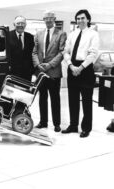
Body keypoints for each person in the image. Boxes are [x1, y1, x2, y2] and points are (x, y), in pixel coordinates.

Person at [62, 9, 99, 138]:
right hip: (72, 68)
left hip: (86, 69)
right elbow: (65, 51)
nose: (80, 21)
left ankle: (86, 128)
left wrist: (81, 67)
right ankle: (73, 125)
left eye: (82, 18)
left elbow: (93, 54)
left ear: (88, 19)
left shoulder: (93, 34)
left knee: (87, 101)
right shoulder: (72, 34)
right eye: (78, 18)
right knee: (72, 99)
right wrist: (71, 65)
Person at [32, 11, 67, 132]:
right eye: (46, 18)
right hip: (41, 71)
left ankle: (57, 124)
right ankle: (43, 122)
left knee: (55, 98)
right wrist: (38, 64)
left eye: (51, 18)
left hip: (54, 72)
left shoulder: (61, 34)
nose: (48, 20)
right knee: (42, 97)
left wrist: (50, 65)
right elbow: (34, 52)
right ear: (43, 19)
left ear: (55, 19)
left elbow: (62, 52)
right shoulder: (38, 34)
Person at [0, 16, 35, 81]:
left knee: (25, 90)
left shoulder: (30, 36)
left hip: (27, 72)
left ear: (25, 25)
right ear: (14, 24)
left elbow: (33, 53)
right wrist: (2, 36)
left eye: (22, 23)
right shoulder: (8, 35)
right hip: (12, 71)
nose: (20, 25)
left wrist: (33, 70)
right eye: (18, 23)